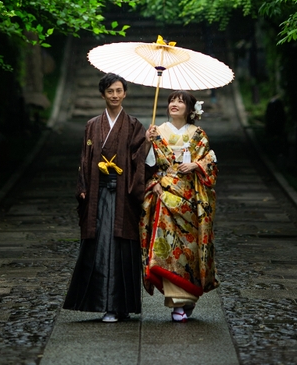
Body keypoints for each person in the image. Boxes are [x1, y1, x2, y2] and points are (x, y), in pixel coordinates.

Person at [63, 72, 153, 322]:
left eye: (119, 91)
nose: (115, 95)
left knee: (122, 246)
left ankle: (121, 305)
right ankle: (106, 304)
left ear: (125, 93)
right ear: (103, 94)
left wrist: (147, 143)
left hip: (124, 194)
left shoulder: (134, 125)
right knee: (101, 245)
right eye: (110, 91)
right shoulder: (92, 125)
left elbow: (140, 158)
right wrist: (82, 185)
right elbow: (84, 159)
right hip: (98, 194)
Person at [139, 90, 219, 322]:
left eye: (181, 102)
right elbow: (147, 166)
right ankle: (178, 302)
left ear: (190, 109)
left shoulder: (199, 135)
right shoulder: (157, 131)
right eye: (172, 100)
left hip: (190, 198)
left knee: (188, 249)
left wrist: (195, 165)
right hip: (165, 195)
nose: (174, 104)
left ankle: (187, 297)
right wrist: (147, 143)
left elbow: (210, 165)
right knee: (166, 247)